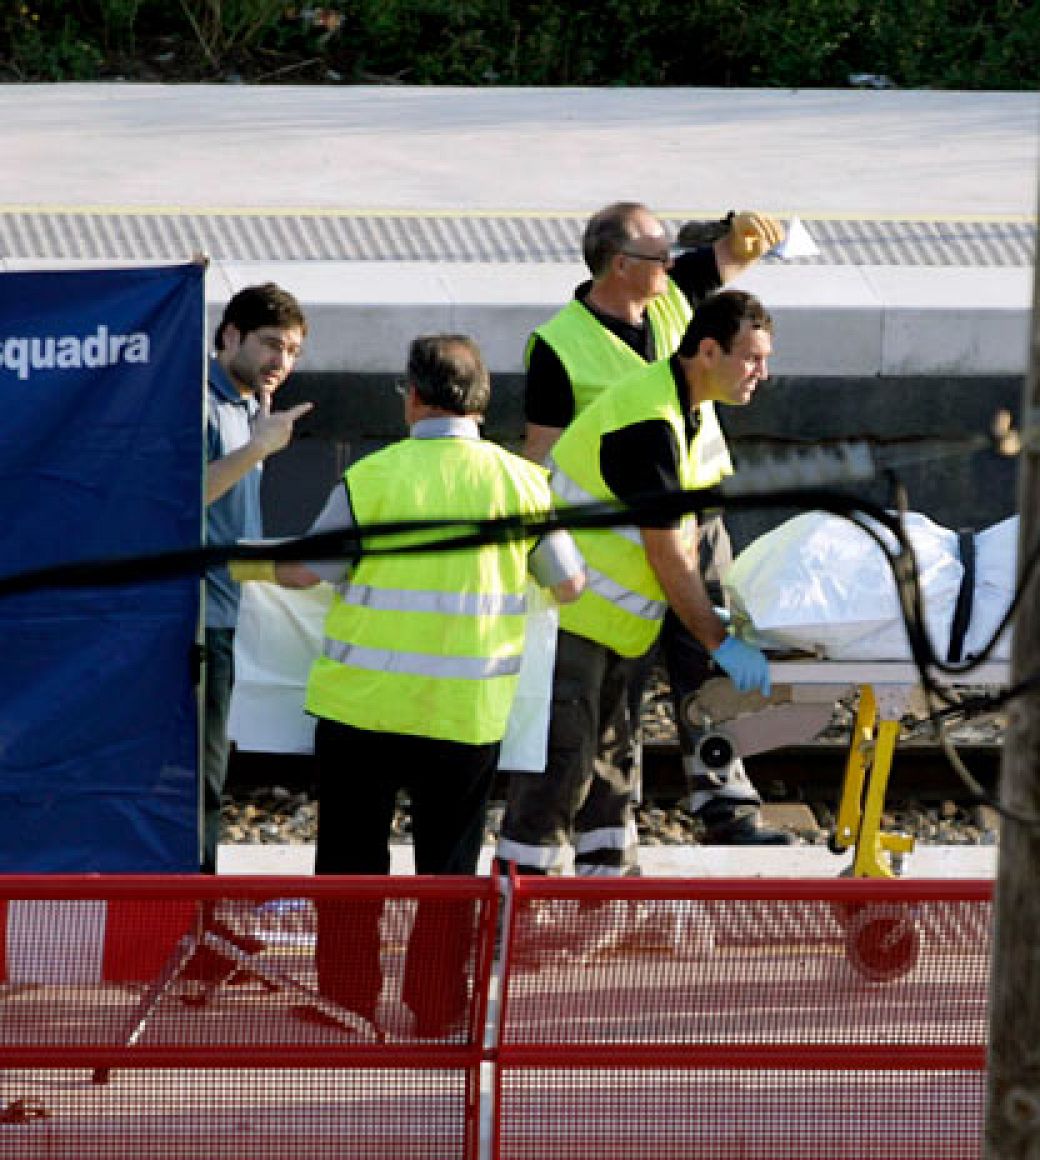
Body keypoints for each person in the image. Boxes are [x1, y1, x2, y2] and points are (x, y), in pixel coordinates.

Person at [233, 333, 583, 1037]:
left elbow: (307, 571)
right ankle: (435, 1006)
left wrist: (239, 565)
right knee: (448, 872)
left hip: (360, 709)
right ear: (481, 402)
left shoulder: (375, 477)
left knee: (350, 865)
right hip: (463, 715)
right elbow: (569, 584)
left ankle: (349, 1000)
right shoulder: (522, 483)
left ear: (414, 397)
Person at [519, 201, 796, 848]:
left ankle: (724, 801)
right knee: (609, 706)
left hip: (691, 520)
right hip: (619, 552)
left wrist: (747, 237)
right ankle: (598, 837)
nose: (672, 264)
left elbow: (725, 258)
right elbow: (541, 454)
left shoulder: (674, 299)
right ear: (621, 265)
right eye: (657, 255)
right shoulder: (562, 346)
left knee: (702, 669)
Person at [202, 282, 310, 874]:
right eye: (271, 344)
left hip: (226, 614)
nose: (282, 362)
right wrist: (258, 449)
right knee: (199, 779)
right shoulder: (197, 401)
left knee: (211, 775)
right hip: (193, 620)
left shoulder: (252, 411)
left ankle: (196, 910)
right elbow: (182, 497)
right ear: (230, 336)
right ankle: (189, 915)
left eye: (292, 351)